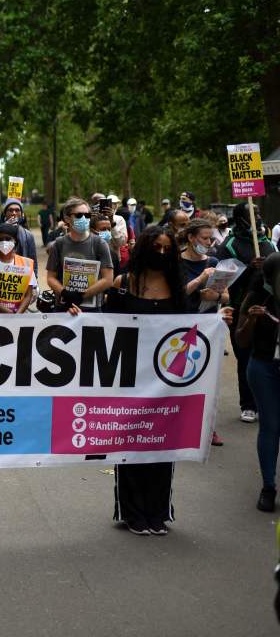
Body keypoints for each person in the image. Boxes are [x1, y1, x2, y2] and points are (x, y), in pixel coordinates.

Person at [106, 226, 232, 535]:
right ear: (144, 250)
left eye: (166, 249)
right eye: (156, 248)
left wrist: (218, 319)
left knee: (163, 445)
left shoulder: (177, 288)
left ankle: (159, 512)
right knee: (132, 445)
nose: (161, 254)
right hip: (130, 379)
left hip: (166, 382)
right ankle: (133, 512)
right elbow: (104, 326)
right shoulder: (125, 284)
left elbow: (191, 326)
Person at [218, 201, 277, 423]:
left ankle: (266, 403)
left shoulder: (268, 243)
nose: (258, 216)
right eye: (252, 213)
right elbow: (223, 279)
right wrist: (248, 268)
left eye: (259, 212)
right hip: (240, 308)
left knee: (268, 357)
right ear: (240, 217)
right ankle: (248, 404)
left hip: (269, 311)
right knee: (245, 357)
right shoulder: (230, 245)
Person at [236, 253, 280, 512]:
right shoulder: (256, 299)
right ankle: (268, 486)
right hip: (263, 368)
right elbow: (241, 341)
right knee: (271, 426)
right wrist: (251, 320)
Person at [180, 218, 228, 446]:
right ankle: (177, 423)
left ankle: (208, 427)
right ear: (191, 238)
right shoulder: (177, 262)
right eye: (205, 238)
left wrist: (216, 297)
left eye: (211, 238)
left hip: (208, 328)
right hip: (180, 327)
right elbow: (177, 294)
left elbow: (226, 295)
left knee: (207, 380)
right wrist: (200, 279)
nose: (209, 243)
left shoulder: (215, 261)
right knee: (181, 377)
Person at [46, 197, 114, 311]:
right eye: (79, 215)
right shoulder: (59, 244)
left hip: (92, 310)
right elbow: (50, 278)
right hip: (64, 307)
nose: (84, 218)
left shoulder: (100, 243)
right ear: (67, 218)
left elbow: (108, 279)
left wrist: (81, 296)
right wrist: (65, 293)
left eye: (87, 215)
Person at [0, 199, 38, 275]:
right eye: (11, 210)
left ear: (21, 213)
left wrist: (34, 280)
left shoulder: (28, 235)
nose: (14, 213)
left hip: (21, 276)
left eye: (17, 210)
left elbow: (33, 261)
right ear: (5, 213)